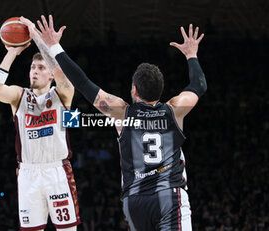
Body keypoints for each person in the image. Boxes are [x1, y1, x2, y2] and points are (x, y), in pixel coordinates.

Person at [22, 15, 206, 230]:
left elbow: (82, 82)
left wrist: (54, 46)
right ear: (161, 91)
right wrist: (191, 55)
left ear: (134, 90)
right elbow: (199, 85)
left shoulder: (122, 113)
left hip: (135, 200)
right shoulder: (175, 109)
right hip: (169, 195)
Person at [0, 17, 80, 231]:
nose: (34, 71)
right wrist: (12, 51)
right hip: (28, 173)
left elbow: (61, 71)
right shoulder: (19, 96)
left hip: (57, 170)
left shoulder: (62, 94)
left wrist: (38, 38)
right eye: (32, 67)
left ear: (50, 74)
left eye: (40, 67)